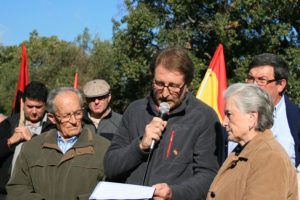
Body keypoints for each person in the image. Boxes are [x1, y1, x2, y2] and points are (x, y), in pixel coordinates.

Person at [104, 47, 223, 200]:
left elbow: (209, 177)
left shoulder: (204, 117)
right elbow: (110, 167)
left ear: (188, 85)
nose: (165, 94)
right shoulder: (135, 110)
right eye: (159, 84)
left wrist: (174, 193)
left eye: (174, 86)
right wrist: (140, 146)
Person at [6, 87, 110, 200]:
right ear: (52, 118)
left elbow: (112, 192)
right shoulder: (31, 148)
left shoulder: (104, 148)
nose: (74, 121)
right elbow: (16, 190)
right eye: (66, 116)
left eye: (78, 113)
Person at [207, 83, 298, 200]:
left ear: (252, 118)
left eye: (229, 115)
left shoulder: (270, 157)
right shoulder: (243, 150)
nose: (224, 123)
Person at [227, 53, 300, 168]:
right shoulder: (232, 115)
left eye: (262, 80)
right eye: (251, 79)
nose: (253, 85)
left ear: (281, 84)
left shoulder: (296, 120)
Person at [0, 81, 55, 200]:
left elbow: (53, 157)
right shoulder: (8, 124)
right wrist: (10, 141)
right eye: (30, 106)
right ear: (22, 103)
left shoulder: (54, 127)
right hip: (6, 193)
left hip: (37, 194)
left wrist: (32, 139)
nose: (34, 111)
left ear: (45, 105)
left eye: (38, 107)